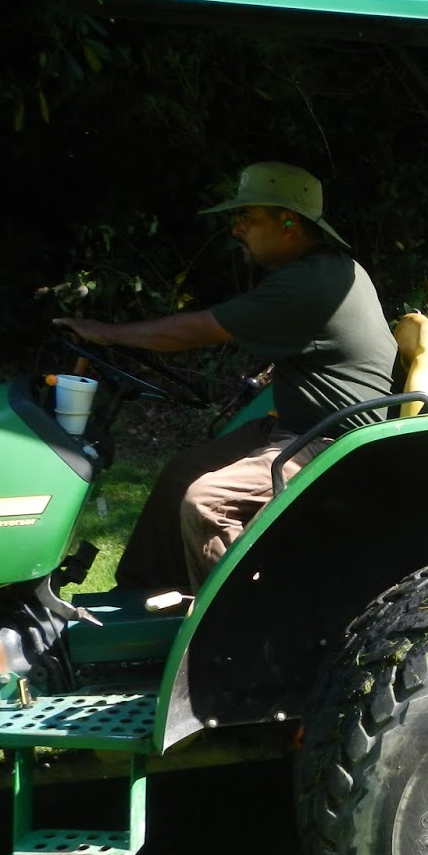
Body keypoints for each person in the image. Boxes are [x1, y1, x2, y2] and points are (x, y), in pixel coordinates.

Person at [55, 162, 397, 592]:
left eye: (247, 217)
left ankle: (240, 634)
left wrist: (102, 332)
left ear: (289, 222)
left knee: (208, 502)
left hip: (332, 444)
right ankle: (137, 598)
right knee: (183, 472)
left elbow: (195, 331)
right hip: (295, 429)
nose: (236, 229)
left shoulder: (312, 283)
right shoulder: (320, 272)